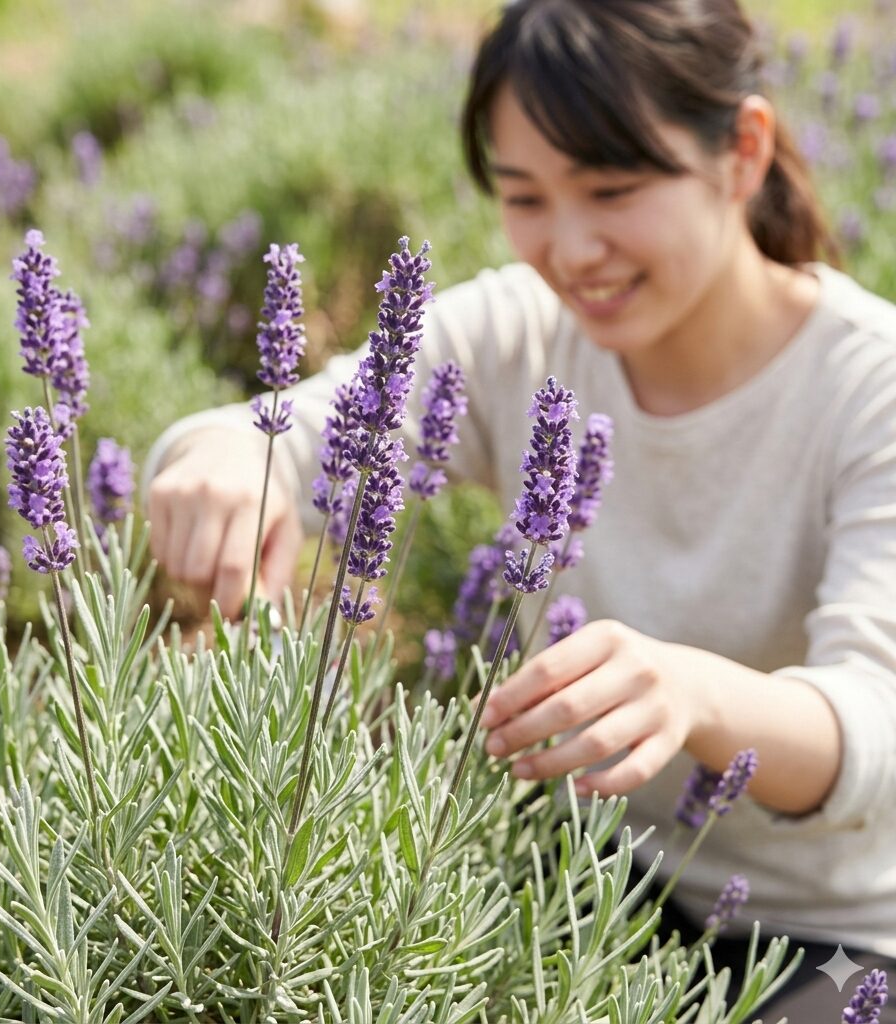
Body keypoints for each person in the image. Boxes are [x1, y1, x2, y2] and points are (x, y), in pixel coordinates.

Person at [144, 0, 896, 1018]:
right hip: (587, 884)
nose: (572, 248)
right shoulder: (519, 333)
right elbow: (305, 425)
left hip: (831, 941)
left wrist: (696, 693)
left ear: (743, 151)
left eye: (612, 189)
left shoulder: (870, 387)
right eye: (525, 196)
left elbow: (875, 725)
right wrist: (230, 458)